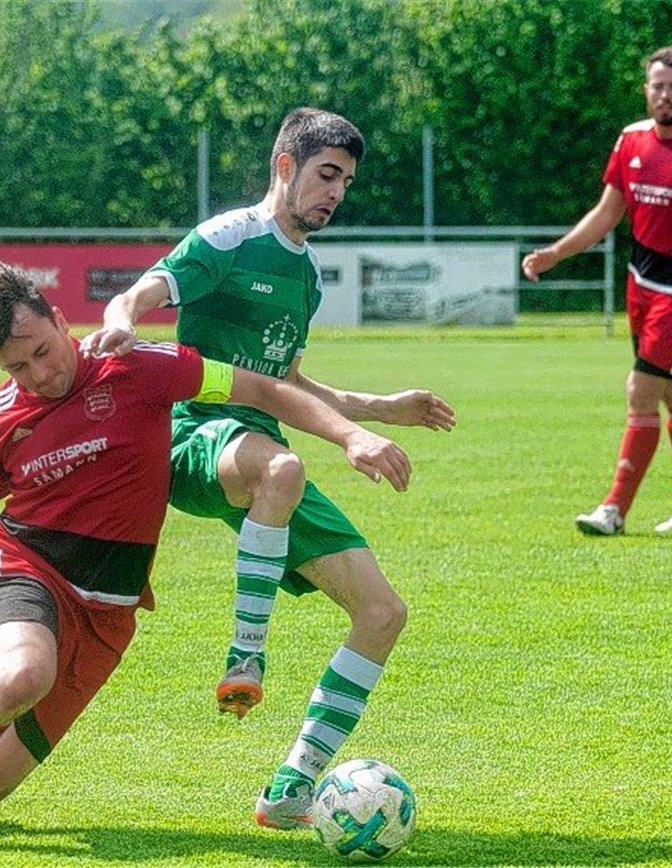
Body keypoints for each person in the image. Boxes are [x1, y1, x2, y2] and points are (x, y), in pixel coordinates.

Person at [0, 260, 414, 856]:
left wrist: (352, 433)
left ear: (62, 321)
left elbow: (262, 389)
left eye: (43, 350)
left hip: (109, 613)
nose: (40, 374)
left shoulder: (138, 366)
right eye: (17, 367)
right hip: (27, 568)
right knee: (22, 676)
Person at [80, 107, 456, 829]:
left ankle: (291, 788)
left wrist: (380, 408)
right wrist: (122, 320)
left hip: (261, 445)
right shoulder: (231, 236)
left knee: (382, 613)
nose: (337, 193)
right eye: (327, 175)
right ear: (285, 166)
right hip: (193, 433)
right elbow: (139, 293)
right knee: (283, 470)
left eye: (346, 182)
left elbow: (286, 383)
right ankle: (246, 655)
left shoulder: (306, 274)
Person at [522, 45, 672, 535]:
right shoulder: (630, 140)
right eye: (657, 86)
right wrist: (556, 253)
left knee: (641, 389)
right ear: (646, 89)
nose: (665, 95)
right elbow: (607, 212)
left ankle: (614, 510)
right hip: (641, 279)